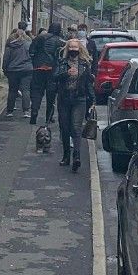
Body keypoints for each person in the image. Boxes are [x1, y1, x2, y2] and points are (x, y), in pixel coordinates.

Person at [53, 38, 94, 173]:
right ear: (67, 49)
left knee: (76, 128)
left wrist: (92, 100)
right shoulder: (62, 62)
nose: (73, 50)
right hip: (64, 99)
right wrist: (66, 73)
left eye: (75, 48)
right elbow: (55, 77)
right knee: (65, 128)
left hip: (79, 99)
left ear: (80, 49)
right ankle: (66, 156)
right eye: (71, 47)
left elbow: (88, 83)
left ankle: (76, 156)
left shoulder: (85, 64)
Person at [28, 23, 65, 125]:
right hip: (52, 70)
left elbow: (31, 52)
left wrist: (35, 62)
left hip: (38, 68)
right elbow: (62, 58)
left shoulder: (39, 38)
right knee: (51, 95)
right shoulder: (61, 42)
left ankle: (34, 112)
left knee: (36, 92)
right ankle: (49, 117)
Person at [2, 28, 32, 118]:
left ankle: (9, 111)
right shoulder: (28, 45)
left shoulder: (10, 46)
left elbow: (6, 59)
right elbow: (32, 56)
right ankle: (26, 111)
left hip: (13, 70)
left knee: (12, 90)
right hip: (26, 70)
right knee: (26, 90)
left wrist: (5, 69)